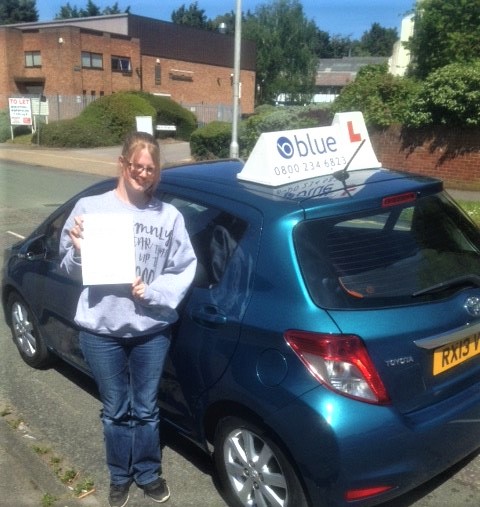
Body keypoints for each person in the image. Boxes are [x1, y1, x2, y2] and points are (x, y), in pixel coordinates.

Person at [59, 131, 197, 507]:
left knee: (147, 408)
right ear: (122, 164)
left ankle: (148, 473)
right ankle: (120, 476)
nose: (143, 174)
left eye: (150, 169)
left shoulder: (169, 217)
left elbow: (184, 267)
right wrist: (75, 249)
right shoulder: (90, 208)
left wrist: (152, 292)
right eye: (137, 166)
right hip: (100, 330)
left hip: (151, 329)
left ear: (157, 173)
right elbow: (69, 270)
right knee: (116, 410)